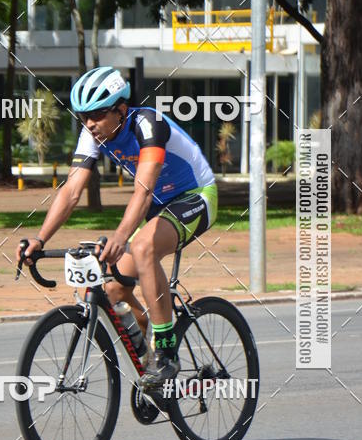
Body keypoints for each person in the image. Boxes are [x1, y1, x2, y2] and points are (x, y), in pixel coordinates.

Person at [16, 66, 218, 386]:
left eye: (96, 114)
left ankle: (166, 353)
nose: (89, 123)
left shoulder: (148, 124)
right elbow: (70, 191)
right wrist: (39, 239)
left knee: (141, 246)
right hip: (157, 208)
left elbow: (144, 189)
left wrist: (120, 237)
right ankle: (150, 360)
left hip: (195, 197)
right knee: (112, 290)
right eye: (83, 117)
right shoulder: (93, 135)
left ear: (121, 110)